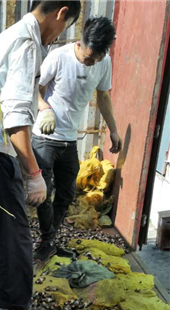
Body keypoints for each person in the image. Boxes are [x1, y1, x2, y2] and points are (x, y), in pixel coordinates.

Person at [0, 0, 81, 310]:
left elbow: (16, 96)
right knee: (15, 232)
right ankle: (14, 305)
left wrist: (41, 106)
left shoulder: (9, 36)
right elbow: (15, 121)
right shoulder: (27, 43)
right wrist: (33, 172)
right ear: (61, 13)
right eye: (65, 27)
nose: (60, 36)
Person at [32, 16, 121, 261]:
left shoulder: (104, 62)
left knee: (67, 194)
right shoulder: (58, 57)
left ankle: (47, 241)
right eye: (88, 58)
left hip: (70, 140)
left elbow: (103, 97)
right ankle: (46, 239)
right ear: (80, 44)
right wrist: (44, 109)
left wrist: (113, 129)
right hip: (45, 138)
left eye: (97, 59)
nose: (91, 63)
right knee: (42, 194)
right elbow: (33, 89)